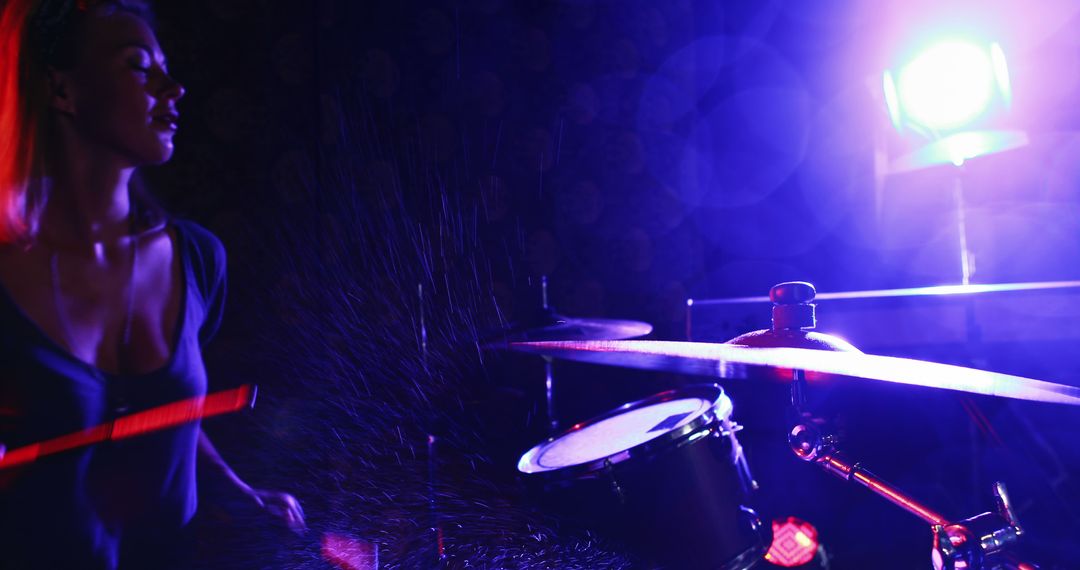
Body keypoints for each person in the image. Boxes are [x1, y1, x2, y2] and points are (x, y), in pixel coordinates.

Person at [0, 0, 305, 567]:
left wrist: (241, 495)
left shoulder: (197, 260)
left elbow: (166, 414)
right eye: (139, 66)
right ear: (60, 90)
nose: (174, 88)